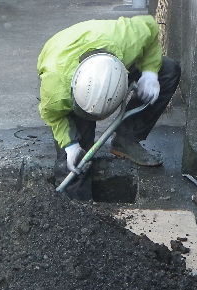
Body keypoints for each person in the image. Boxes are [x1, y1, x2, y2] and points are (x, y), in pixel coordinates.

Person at [37, 15, 180, 198]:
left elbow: (151, 27)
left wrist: (150, 72)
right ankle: (76, 204)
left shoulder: (129, 40)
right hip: (65, 66)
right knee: (76, 160)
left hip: (109, 55)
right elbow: (53, 116)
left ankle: (126, 140)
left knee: (167, 69)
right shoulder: (55, 91)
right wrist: (70, 145)